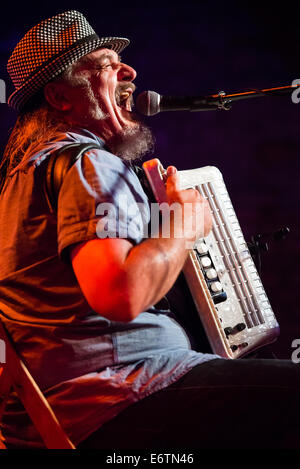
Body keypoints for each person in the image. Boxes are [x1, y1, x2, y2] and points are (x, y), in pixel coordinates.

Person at [0, 10, 299, 450]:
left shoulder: (22, 178)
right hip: (123, 393)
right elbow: (120, 293)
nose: (130, 71)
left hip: (73, 409)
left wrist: (164, 223)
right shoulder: (89, 162)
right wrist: (185, 224)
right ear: (61, 98)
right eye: (105, 66)